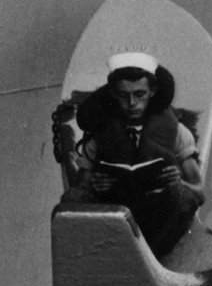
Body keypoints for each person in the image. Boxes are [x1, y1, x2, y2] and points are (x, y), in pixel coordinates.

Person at [70, 51, 204, 258]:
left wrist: (179, 182)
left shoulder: (177, 132)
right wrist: (94, 185)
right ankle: (105, 256)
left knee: (182, 197)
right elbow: (80, 189)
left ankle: (147, 259)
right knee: (72, 198)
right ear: (113, 94)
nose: (132, 103)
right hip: (115, 218)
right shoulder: (100, 135)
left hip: (158, 219)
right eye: (124, 95)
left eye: (139, 94)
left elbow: (199, 192)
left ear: (152, 91)